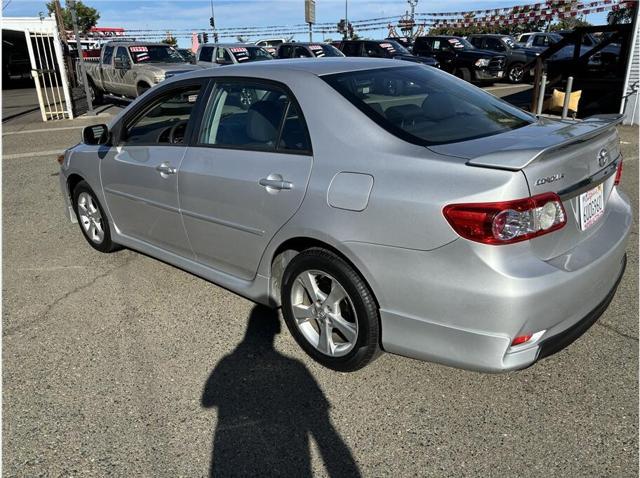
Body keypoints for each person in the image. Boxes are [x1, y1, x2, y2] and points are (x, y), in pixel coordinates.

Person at [202, 305, 361, 477]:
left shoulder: (228, 362)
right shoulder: (296, 367)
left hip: (233, 457)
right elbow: (322, 421)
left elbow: (207, 400)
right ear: (277, 328)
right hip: (293, 454)